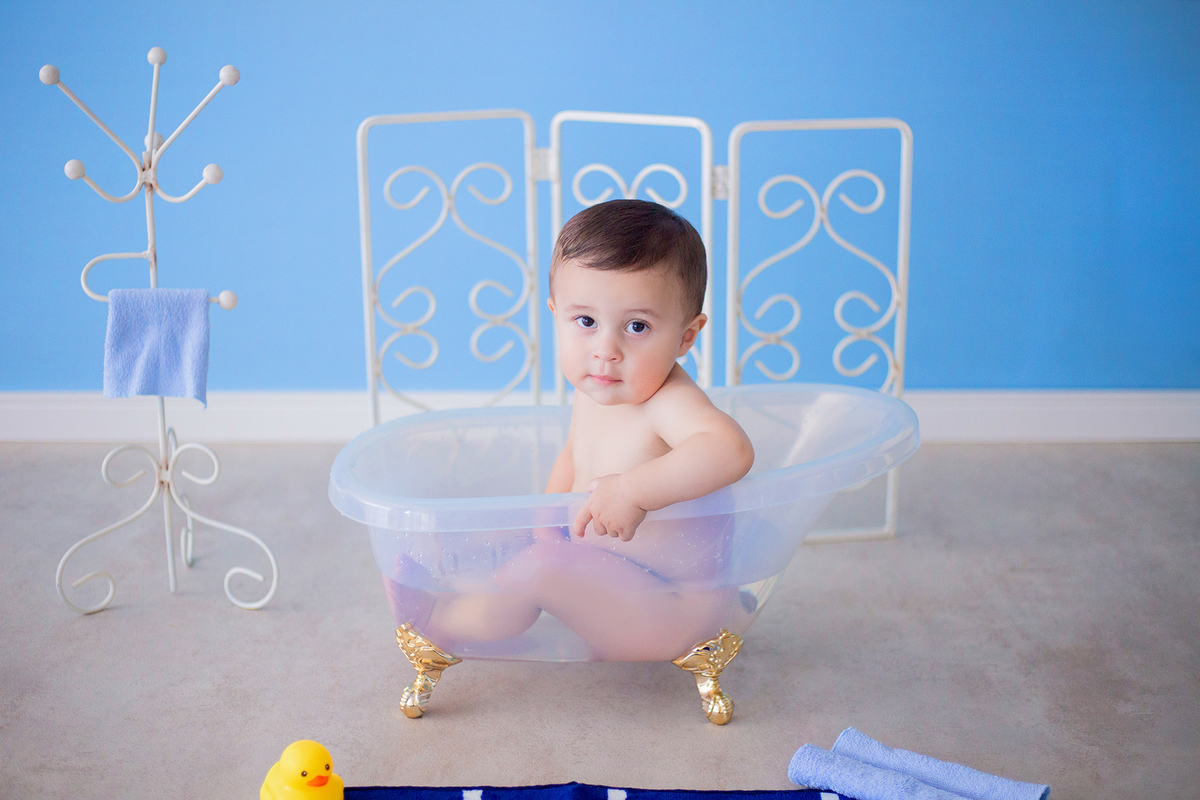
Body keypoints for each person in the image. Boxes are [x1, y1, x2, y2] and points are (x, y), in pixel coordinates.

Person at [425, 199, 756, 660]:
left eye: (637, 326)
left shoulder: (666, 402)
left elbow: (730, 449)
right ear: (555, 312)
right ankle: (463, 584)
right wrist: (543, 522)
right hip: (612, 575)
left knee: (530, 572)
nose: (606, 349)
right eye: (586, 321)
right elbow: (575, 457)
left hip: (671, 613)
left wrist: (635, 491)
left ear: (686, 336)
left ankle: (433, 622)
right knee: (512, 545)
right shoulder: (600, 387)